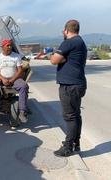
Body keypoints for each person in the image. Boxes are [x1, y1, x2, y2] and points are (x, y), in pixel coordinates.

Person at [50, 20, 87, 157]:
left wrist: (57, 57)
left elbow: (54, 60)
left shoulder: (69, 42)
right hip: (78, 83)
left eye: (63, 31)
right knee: (76, 115)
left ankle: (67, 147)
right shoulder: (80, 42)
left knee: (70, 117)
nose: (62, 33)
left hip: (69, 85)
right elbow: (62, 59)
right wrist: (62, 58)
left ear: (66, 30)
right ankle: (75, 143)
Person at [0, 39, 29, 122]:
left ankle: (22, 111)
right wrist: (3, 79)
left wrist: (12, 79)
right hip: (1, 79)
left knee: (23, 85)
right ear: (3, 47)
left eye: (10, 45)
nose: (9, 47)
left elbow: (20, 70)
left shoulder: (16, 56)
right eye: (7, 45)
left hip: (14, 79)